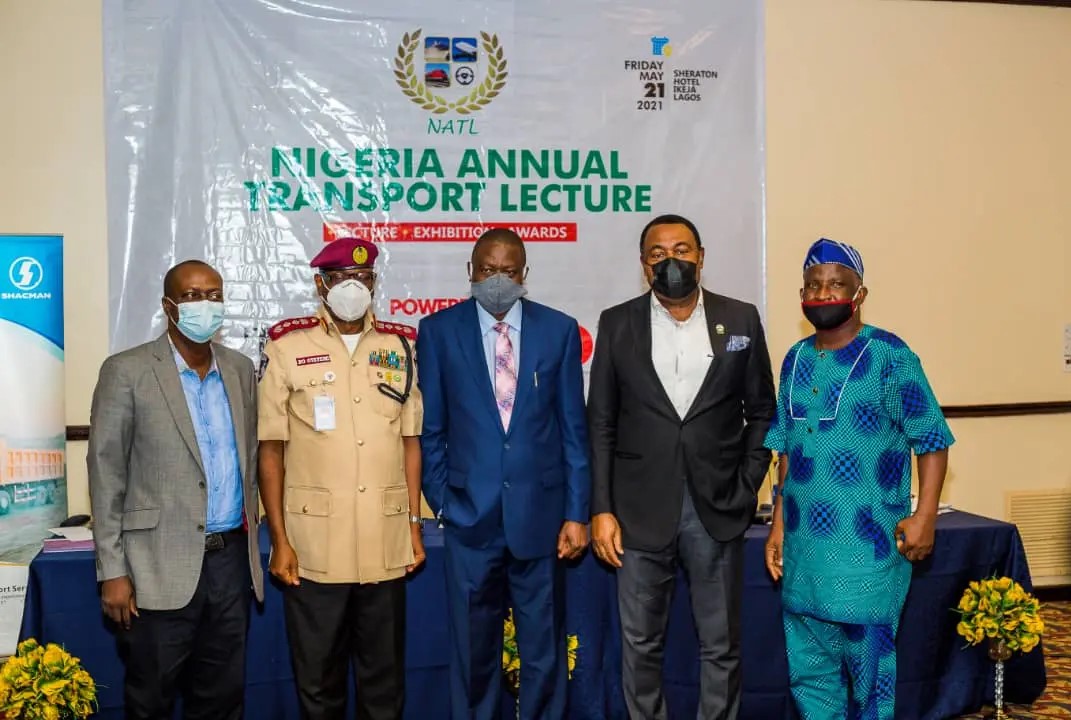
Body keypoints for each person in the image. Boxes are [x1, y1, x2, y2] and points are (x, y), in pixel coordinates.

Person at [588, 214, 775, 720]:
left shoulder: (739, 319)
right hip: (637, 510)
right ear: (644, 264)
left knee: (721, 646)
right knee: (640, 646)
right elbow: (600, 422)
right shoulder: (617, 322)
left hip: (718, 506)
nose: (671, 260)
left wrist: (747, 483)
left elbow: (762, 413)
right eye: (657, 253)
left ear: (701, 256)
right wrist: (601, 509)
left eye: (682, 249)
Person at [763, 238, 954, 719]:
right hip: (805, 555)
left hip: (868, 555)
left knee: (871, 685)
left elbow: (931, 439)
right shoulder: (794, 358)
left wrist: (925, 516)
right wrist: (779, 525)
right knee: (810, 679)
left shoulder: (891, 356)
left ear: (860, 293)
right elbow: (786, 447)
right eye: (813, 285)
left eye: (836, 285)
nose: (823, 294)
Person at [417, 228, 590, 719]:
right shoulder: (438, 331)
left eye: (508, 271)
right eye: (487, 269)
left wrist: (576, 512)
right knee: (473, 653)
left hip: (541, 518)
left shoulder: (558, 331)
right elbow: (432, 430)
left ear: (525, 275)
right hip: (471, 520)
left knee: (543, 652)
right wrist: (445, 501)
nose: (497, 279)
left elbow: (573, 431)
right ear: (469, 272)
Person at [257, 237, 425, 720]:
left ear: (374, 284)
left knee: (384, 686)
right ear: (320, 285)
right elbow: (271, 451)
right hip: (313, 548)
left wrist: (413, 526)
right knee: (319, 685)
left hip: (385, 540)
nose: (353, 288)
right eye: (342, 280)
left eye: (364, 279)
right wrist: (280, 540)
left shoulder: (399, 346)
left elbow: (410, 442)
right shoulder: (288, 348)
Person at [88, 260, 263, 720]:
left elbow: (248, 460)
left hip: (229, 564)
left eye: (213, 294)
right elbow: (105, 471)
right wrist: (112, 569)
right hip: (155, 567)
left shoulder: (241, 370)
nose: (205, 304)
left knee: (223, 700)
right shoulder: (126, 371)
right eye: (191, 296)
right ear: (169, 306)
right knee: (152, 700)